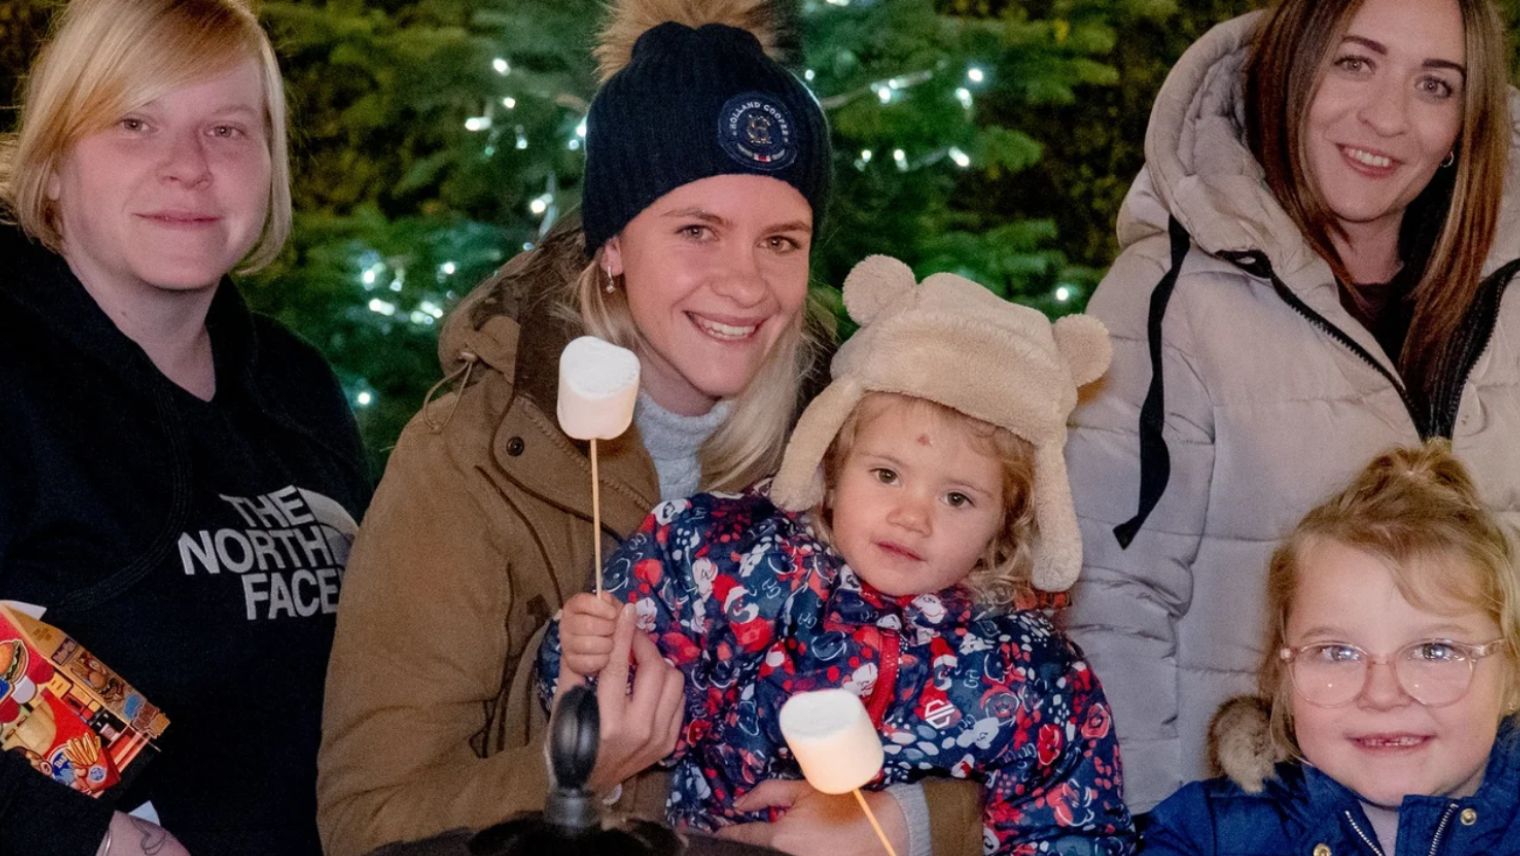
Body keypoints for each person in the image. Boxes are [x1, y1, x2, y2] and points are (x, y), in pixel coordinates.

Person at [317, 4, 983, 855]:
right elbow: (365, 821)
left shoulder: (861, 449)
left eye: (781, 240)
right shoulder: (472, 462)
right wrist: (571, 775)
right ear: (615, 246)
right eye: (697, 231)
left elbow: (1017, 720)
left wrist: (906, 821)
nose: (745, 285)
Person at [1062, 0, 1520, 812]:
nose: (1388, 116)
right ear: (1290, 66)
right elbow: (1111, 604)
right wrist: (1145, 831)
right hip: (1248, 819)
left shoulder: (1508, 297)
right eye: (1354, 62)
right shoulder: (1168, 302)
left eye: (1436, 84)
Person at [538, 255, 1133, 854]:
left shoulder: (1035, 676)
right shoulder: (726, 560)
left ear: (1005, 521)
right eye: (886, 474)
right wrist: (586, 650)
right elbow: (633, 694)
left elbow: (1074, 832)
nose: (913, 515)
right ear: (834, 461)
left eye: (958, 497)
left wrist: (920, 834)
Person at [0, 0, 371, 854]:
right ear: (53, 165)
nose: (188, 168)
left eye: (228, 131)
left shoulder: (297, 388)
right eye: (135, 123)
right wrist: (69, 832)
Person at [1142, 442, 1520, 854]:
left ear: (1512, 676)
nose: (1381, 694)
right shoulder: (1206, 835)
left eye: (1434, 650)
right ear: (1281, 675)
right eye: (1336, 653)